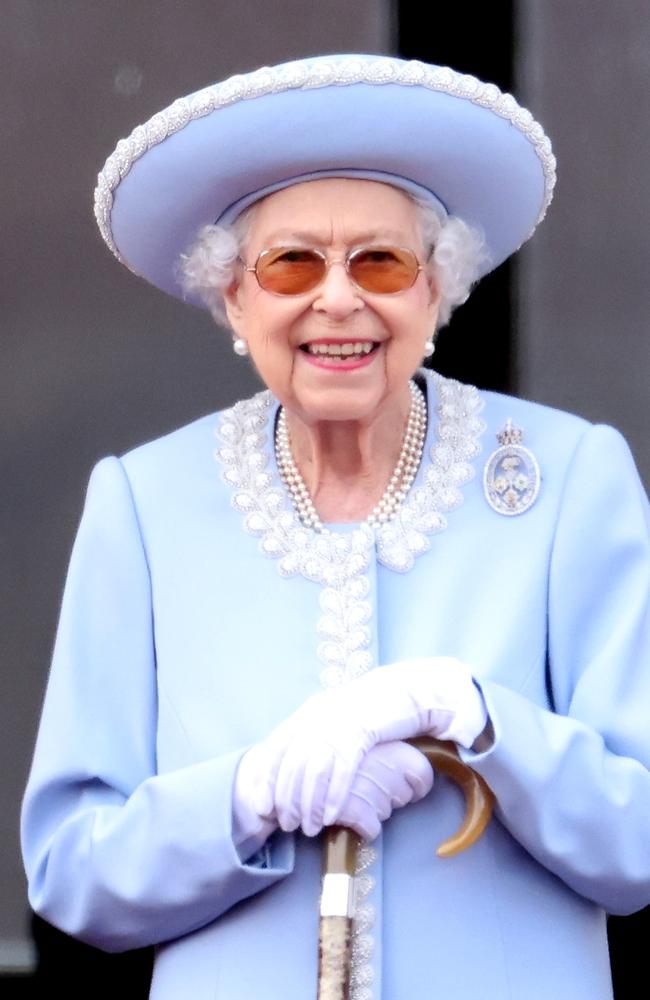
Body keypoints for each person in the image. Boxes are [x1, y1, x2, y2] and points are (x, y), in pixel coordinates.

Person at [21, 53, 650, 1000]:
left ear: (437, 292)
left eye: (383, 261)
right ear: (234, 297)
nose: (339, 299)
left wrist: (477, 715)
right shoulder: (145, 503)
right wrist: (247, 795)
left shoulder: (568, 479)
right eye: (291, 263)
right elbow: (72, 873)